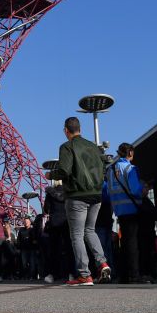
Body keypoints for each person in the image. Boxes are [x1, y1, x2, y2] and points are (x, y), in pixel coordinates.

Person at [49, 116, 110, 286]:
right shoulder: (94, 147)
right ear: (80, 129)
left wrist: (50, 175)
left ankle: (84, 274)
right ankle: (102, 263)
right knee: (90, 231)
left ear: (66, 131)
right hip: (96, 195)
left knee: (76, 235)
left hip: (77, 196)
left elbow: (64, 171)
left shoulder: (67, 147)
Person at [105, 142, 144, 283]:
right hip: (132, 209)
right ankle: (134, 275)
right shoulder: (130, 168)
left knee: (124, 243)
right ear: (130, 153)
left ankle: (123, 275)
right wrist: (143, 190)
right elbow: (135, 190)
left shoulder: (110, 170)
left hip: (119, 210)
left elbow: (109, 191)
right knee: (133, 243)